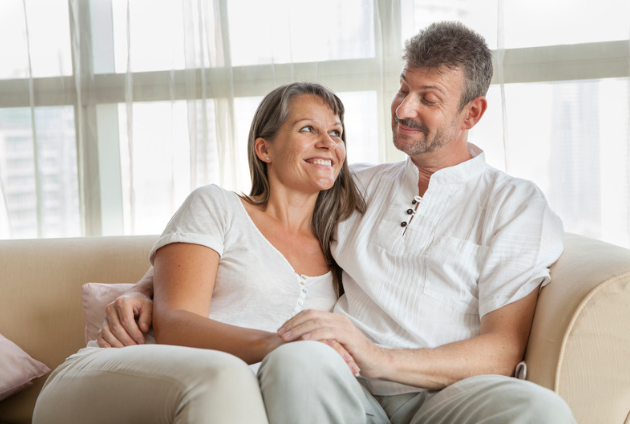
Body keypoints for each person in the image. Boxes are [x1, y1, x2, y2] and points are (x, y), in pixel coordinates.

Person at [94, 22, 577, 424]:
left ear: (472, 112)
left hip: (446, 396)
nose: (404, 109)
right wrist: (147, 291)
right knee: (297, 359)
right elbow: (248, 228)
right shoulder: (359, 186)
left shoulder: (514, 203)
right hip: (342, 386)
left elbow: (501, 348)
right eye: (403, 89)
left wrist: (380, 357)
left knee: (540, 409)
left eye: (427, 99)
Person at [32, 82, 366, 424]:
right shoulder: (218, 206)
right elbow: (174, 325)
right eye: (308, 128)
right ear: (264, 149)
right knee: (227, 376)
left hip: (238, 400)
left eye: (337, 133)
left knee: (240, 388)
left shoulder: (341, 243)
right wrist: (281, 345)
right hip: (121, 372)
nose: (328, 142)